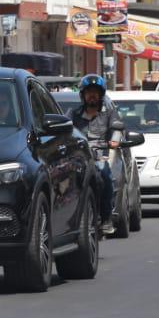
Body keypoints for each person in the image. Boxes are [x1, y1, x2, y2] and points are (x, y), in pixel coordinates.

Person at [71, 74, 124, 235]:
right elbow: (65, 130)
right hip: (79, 157)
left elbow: (117, 129)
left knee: (105, 174)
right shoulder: (73, 114)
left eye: (95, 92)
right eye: (88, 92)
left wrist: (114, 141)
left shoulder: (109, 113)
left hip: (101, 155)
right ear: (83, 95)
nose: (92, 95)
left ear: (101, 95)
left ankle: (106, 217)